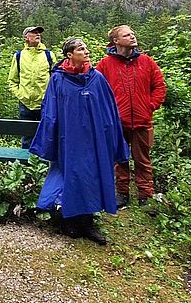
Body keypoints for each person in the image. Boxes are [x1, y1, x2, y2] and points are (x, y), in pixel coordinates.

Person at [29, 37, 129, 245]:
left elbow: (109, 110)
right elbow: (50, 111)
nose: (86, 51)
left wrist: (111, 138)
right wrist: (50, 140)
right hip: (69, 140)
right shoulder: (58, 80)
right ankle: (69, 221)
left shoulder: (97, 78)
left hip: (93, 141)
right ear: (69, 55)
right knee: (71, 177)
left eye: (86, 48)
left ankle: (88, 222)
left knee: (91, 177)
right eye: (80, 49)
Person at [96, 25, 166, 208]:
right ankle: (122, 194)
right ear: (116, 41)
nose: (132, 37)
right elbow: (97, 91)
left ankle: (145, 194)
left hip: (142, 121)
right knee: (120, 159)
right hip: (117, 122)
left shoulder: (147, 62)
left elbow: (159, 86)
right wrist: (108, 113)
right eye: (127, 35)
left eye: (133, 34)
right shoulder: (105, 65)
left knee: (143, 159)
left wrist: (150, 106)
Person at [8, 26, 56, 148]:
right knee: (27, 137)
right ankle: (26, 165)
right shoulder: (19, 56)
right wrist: (20, 95)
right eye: (33, 33)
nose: (37, 34)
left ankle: (43, 164)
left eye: (38, 33)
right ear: (26, 38)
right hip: (25, 103)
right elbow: (12, 80)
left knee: (46, 136)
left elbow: (56, 79)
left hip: (45, 103)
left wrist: (51, 96)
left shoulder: (49, 55)